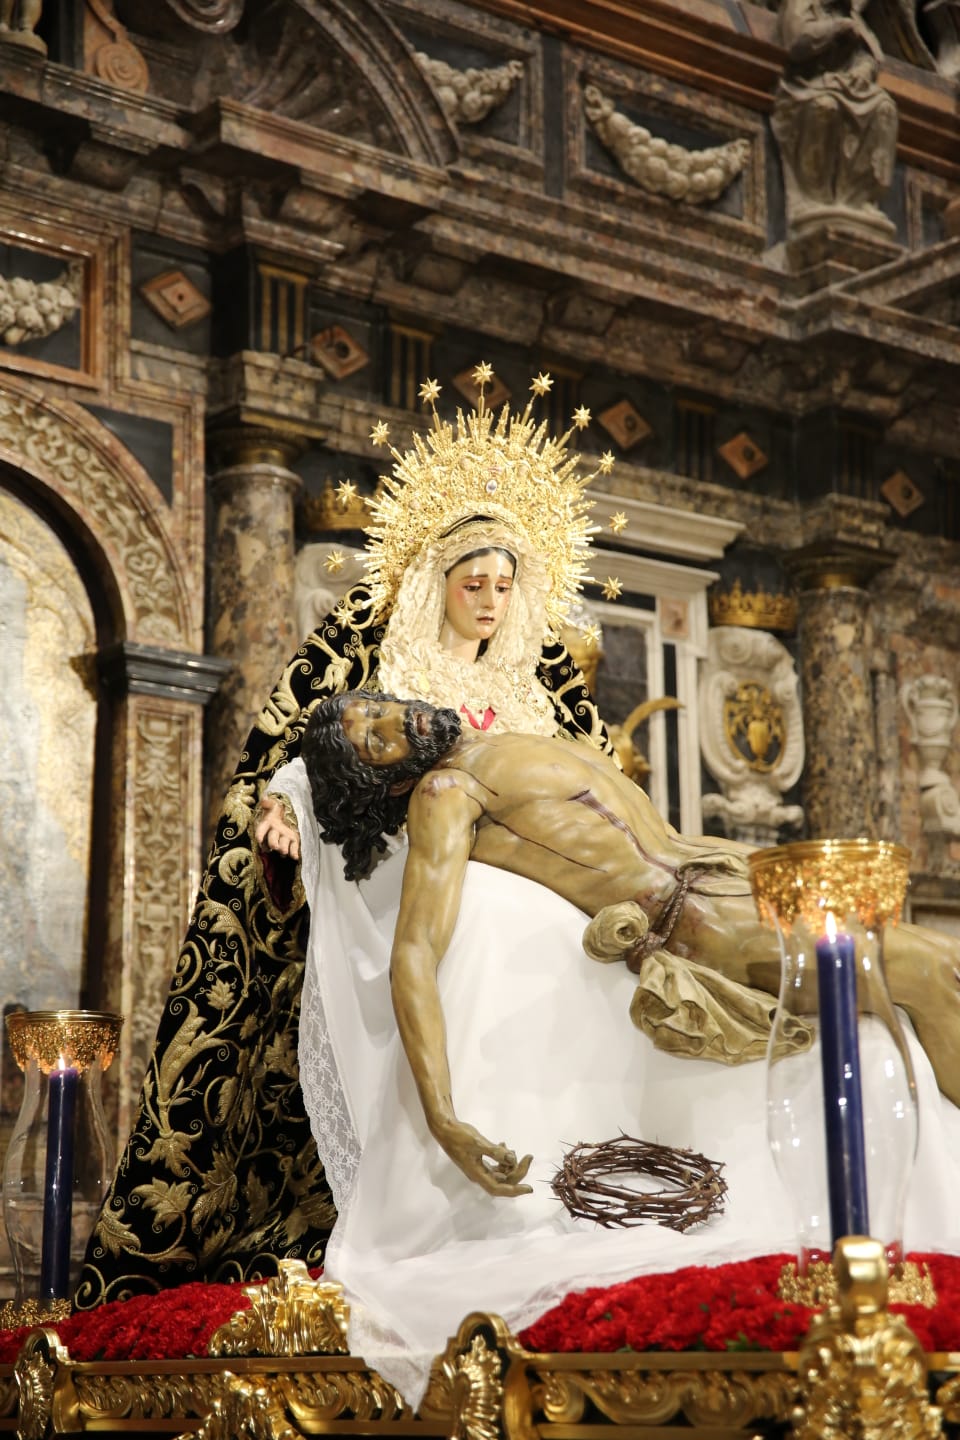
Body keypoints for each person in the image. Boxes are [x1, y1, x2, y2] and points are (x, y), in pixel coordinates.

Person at [76, 371, 615, 1307]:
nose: (490, 601)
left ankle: (550, 1183)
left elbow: (593, 782)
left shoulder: (542, 685)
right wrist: (283, 810)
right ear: (438, 584)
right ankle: (427, 1194)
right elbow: (308, 750)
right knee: (473, 936)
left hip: (524, 875)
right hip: (407, 874)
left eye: (503, 585)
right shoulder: (380, 656)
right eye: (473, 584)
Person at [264, 688, 960, 1408]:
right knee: (936, 972)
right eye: (377, 740)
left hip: (728, 876)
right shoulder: (445, 793)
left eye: (375, 709)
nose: (394, 721)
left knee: (938, 973)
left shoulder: (505, 739)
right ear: (390, 784)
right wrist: (441, 1114)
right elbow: (413, 952)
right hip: (701, 923)